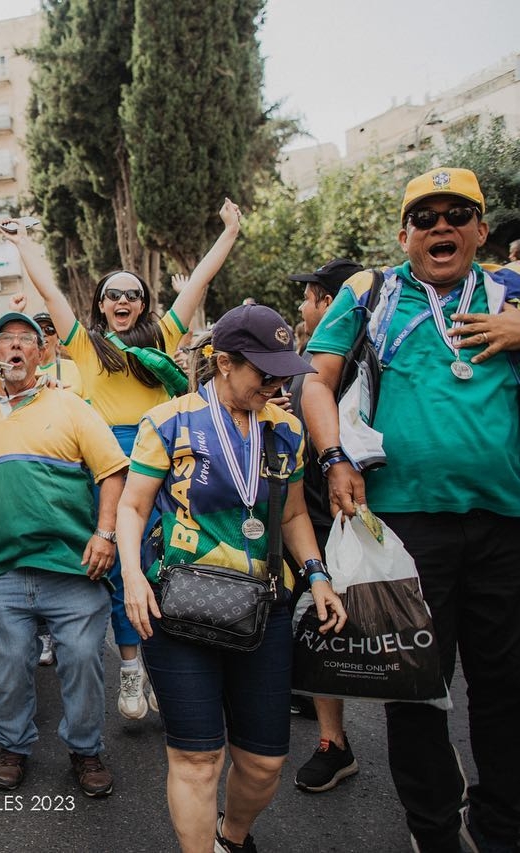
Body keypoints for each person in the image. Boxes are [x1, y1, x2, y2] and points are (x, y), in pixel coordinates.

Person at [302, 167, 520, 853]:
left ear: (481, 230)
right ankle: (433, 829)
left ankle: (501, 826)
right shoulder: (371, 293)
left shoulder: (510, 291)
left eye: (458, 213)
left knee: (505, 689)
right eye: (424, 218)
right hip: (403, 528)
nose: (441, 227)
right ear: (404, 235)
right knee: (415, 689)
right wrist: (333, 456)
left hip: (504, 522)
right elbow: (313, 376)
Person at [117, 303, 346, 853]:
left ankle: (232, 837)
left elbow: (291, 516)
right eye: (264, 374)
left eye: (283, 373)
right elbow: (132, 507)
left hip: (263, 610)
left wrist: (316, 574)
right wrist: (131, 576)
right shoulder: (169, 421)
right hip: (178, 608)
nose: (276, 384)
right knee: (197, 760)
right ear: (223, 363)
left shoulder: (286, 429)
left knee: (264, 762)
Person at [3, 200, 242, 721]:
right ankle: (130, 670)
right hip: (110, 468)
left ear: (143, 304)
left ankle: (167, 667)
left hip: (165, 465)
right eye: (113, 294)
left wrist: (228, 233)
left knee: (171, 563)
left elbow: (198, 283)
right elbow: (50, 292)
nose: (123, 301)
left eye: (133, 295)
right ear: (101, 303)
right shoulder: (84, 345)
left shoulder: (164, 337)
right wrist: (22, 242)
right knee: (118, 567)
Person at [0, 311, 128, 796]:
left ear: (42, 354)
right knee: (7, 664)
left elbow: (112, 471)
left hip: (73, 568)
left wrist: (104, 535)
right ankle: (12, 746)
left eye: (28, 341)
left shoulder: (72, 407)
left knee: (84, 660)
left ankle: (86, 752)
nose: (17, 349)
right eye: (7, 341)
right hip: (1, 570)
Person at [284, 258, 366, 794]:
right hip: (306, 509)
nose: (303, 306)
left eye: (310, 296)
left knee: (355, 618)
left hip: (353, 510)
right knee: (311, 612)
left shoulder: (363, 360)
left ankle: (339, 742)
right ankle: (328, 733)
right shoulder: (308, 359)